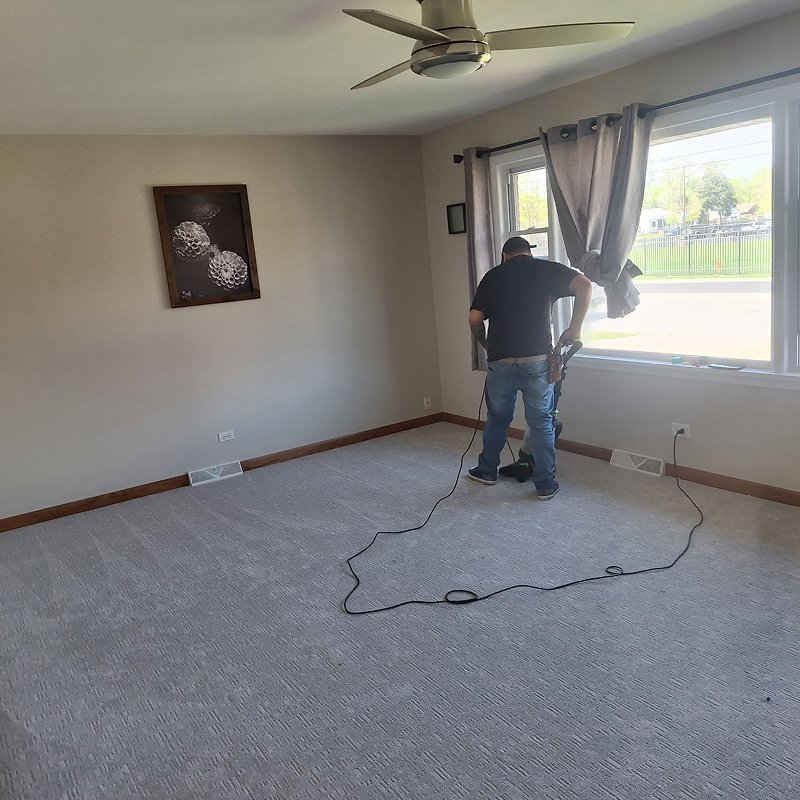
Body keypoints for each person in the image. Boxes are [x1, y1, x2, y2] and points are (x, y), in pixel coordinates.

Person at [467, 236, 592, 500]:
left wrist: (486, 344)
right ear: (529, 253)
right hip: (537, 360)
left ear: (504, 256)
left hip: (500, 360)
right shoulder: (546, 269)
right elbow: (585, 284)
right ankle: (545, 484)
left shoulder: (493, 276)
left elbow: (475, 319)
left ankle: (487, 471)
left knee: (497, 418)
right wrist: (575, 327)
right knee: (541, 422)